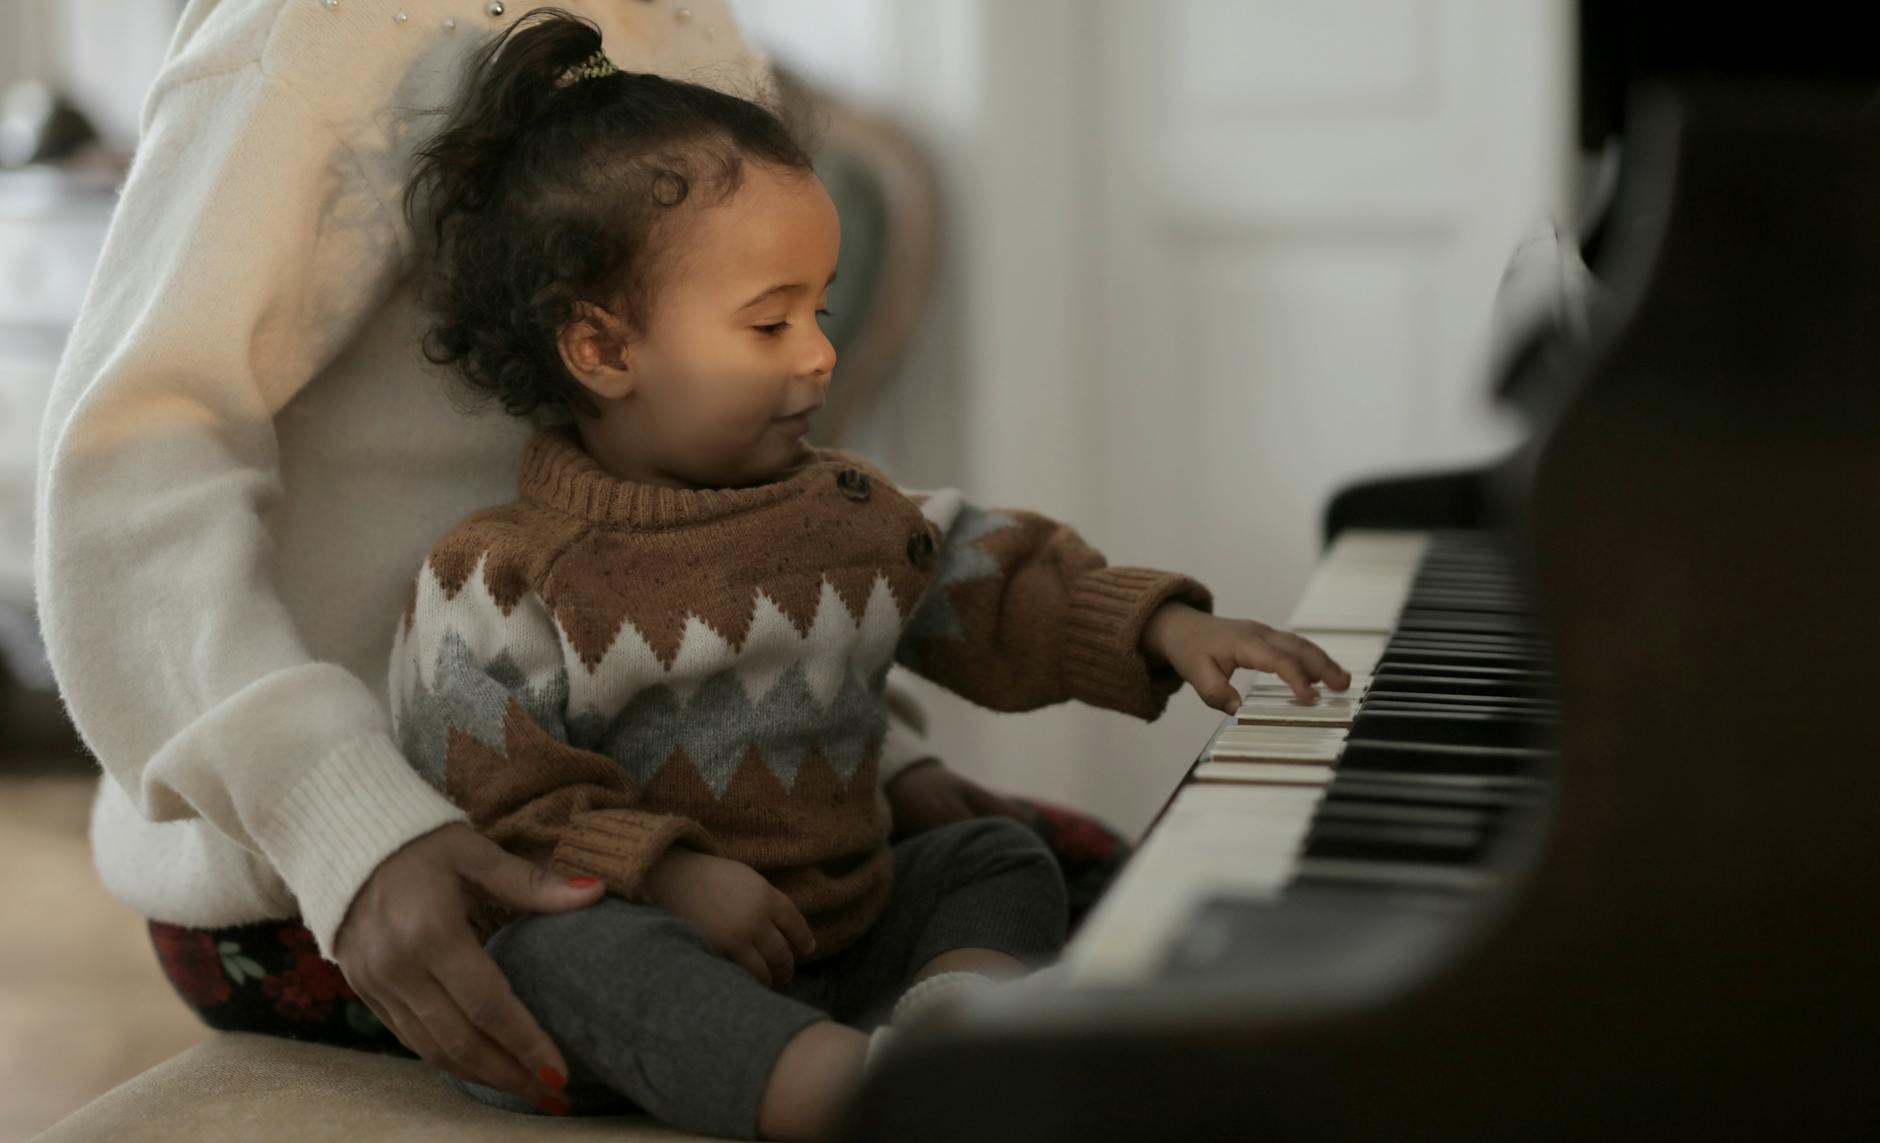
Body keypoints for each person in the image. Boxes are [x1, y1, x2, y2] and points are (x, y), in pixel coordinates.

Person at [30, 0, 1119, 1124]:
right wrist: (348, 830)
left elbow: (694, 494)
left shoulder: (689, 31)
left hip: (683, 806)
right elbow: (129, 473)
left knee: (1109, 896)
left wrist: (856, 756)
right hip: (372, 859)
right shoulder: (320, 34)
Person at [374, 10, 1351, 1139]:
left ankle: (949, 1036)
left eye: (818, 309)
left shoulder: (847, 515)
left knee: (994, 854)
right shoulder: (500, 577)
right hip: (665, 949)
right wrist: (676, 875)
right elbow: (504, 807)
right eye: (766, 322)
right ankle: (850, 1097)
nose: (817, 353)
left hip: (848, 931)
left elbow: (995, 580)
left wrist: (1163, 631)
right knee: (560, 950)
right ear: (602, 349)